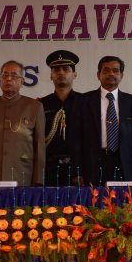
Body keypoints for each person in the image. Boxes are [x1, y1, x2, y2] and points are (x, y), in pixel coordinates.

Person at [72, 56, 132, 185]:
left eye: (115, 70)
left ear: (121, 76)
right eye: (106, 70)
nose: (111, 74)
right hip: (93, 166)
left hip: (125, 166)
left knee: (123, 204)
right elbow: (76, 140)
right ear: (98, 75)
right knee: (93, 204)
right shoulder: (83, 101)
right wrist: (77, 172)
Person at [0, 60, 45, 186]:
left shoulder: (34, 107)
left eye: (14, 75)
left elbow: (39, 146)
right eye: (5, 75)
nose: (8, 79)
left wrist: (38, 180)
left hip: (23, 175)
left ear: (22, 81)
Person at [40, 50, 81, 186]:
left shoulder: (85, 102)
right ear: (51, 76)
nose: (61, 73)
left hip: (77, 171)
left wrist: (82, 171)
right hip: (48, 171)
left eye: (66, 69)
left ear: (74, 75)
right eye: (56, 69)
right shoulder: (40, 104)